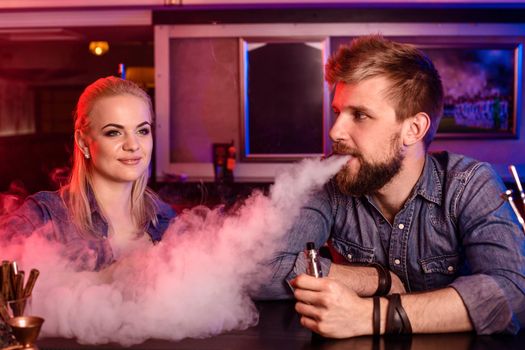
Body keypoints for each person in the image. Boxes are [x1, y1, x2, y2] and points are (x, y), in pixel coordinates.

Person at [258, 35, 525, 337]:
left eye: (360, 115)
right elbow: (259, 270)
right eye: (337, 112)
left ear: (413, 129)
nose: (335, 131)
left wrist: (371, 316)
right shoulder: (328, 180)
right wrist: (377, 279)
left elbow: (512, 290)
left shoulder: (469, 184)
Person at [0, 76, 175, 270]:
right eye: (113, 132)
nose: (133, 145)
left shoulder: (163, 216)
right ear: (83, 142)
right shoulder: (45, 215)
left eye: (142, 131)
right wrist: (107, 277)